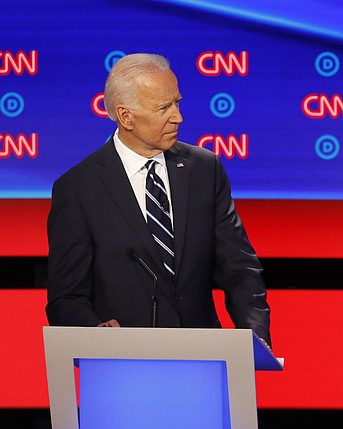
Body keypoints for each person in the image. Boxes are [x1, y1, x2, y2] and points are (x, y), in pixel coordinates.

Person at [46, 53, 270, 345]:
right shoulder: (78, 189)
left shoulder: (205, 170)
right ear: (126, 116)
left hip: (202, 357)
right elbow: (66, 297)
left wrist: (255, 339)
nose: (178, 116)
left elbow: (239, 269)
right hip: (121, 364)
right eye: (164, 107)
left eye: (177, 102)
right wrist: (95, 332)